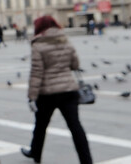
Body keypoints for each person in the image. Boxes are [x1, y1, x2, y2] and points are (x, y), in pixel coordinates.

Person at [21, 15, 92, 164]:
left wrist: (31, 97)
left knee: (40, 126)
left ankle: (36, 154)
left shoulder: (38, 44)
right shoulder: (65, 40)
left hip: (47, 93)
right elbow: (75, 64)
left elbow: (37, 72)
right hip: (68, 90)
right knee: (75, 127)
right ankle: (86, 160)